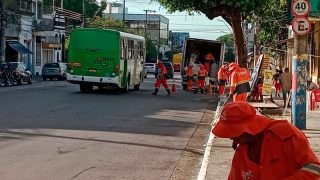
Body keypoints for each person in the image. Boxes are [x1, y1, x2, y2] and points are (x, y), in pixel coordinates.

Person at [212, 102, 320, 180]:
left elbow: (315, 169)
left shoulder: (287, 135)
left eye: (232, 132)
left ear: (247, 130)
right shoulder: (241, 153)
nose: (231, 138)